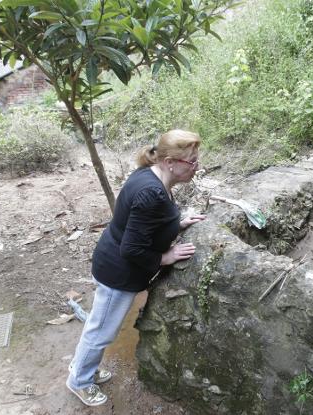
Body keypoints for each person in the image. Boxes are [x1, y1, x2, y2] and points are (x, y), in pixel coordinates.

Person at [66, 129, 206, 406]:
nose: (196, 166)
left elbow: (145, 227)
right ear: (169, 162)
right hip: (118, 272)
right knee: (102, 330)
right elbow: (132, 248)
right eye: (191, 161)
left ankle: (85, 368)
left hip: (115, 263)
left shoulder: (151, 177)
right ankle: (79, 380)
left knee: (100, 325)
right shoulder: (151, 192)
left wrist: (178, 224)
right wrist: (166, 257)